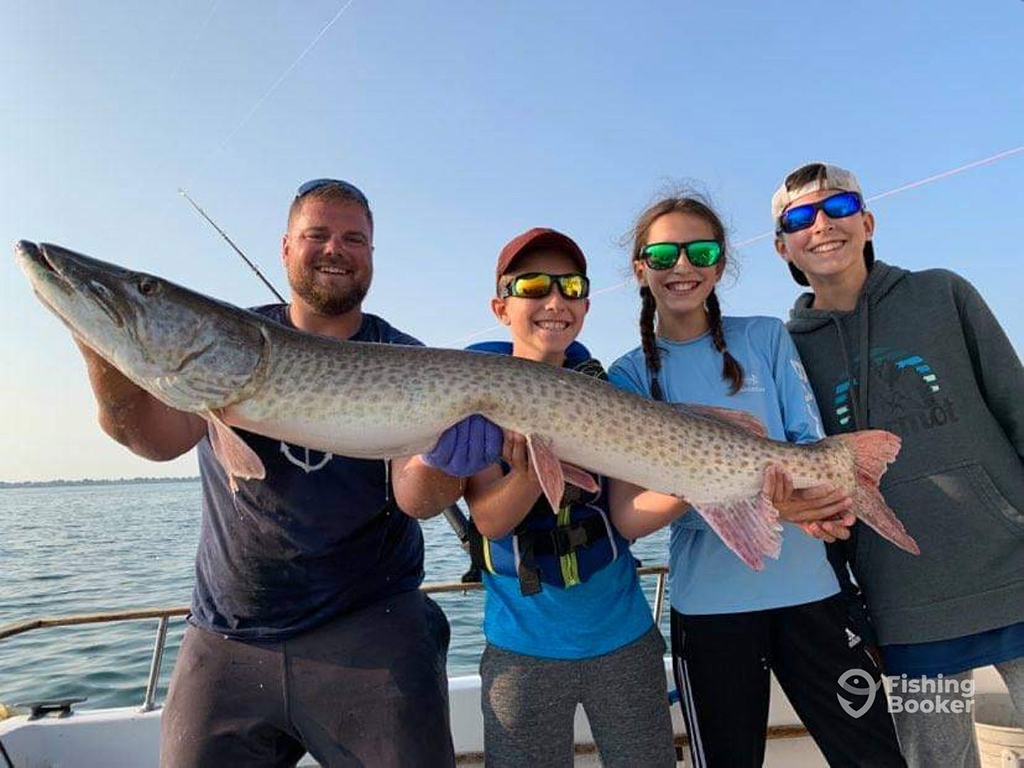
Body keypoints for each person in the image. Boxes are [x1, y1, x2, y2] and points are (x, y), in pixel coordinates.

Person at [71, 178, 501, 767]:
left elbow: (415, 497)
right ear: (285, 247)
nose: (335, 249)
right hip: (228, 633)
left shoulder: (406, 355)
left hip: (371, 628)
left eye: (354, 238)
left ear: (372, 254)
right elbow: (150, 438)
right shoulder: (224, 343)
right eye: (316, 235)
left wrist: (441, 463)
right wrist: (99, 340)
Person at [607, 193, 907, 767]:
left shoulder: (766, 336)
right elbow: (627, 517)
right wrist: (710, 472)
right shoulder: (626, 374)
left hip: (813, 595)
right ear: (641, 268)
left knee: (876, 758)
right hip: (711, 610)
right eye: (664, 254)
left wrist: (804, 501)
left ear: (721, 264)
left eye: (700, 251)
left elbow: (809, 445)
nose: (682, 267)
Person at [774, 161, 1024, 767]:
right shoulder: (787, 348)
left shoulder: (943, 291)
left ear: (867, 220)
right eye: (800, 217)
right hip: (902, 598)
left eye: (837, 207)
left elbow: (1014, 403)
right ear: (784, 246)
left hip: (1013, 569)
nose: (823, 225)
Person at [461, 228, 676, 767]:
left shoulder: (607, 391)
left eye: (571, 286)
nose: (554, 301)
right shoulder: (477, 390)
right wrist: (536, 469)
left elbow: (625, 518)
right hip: (521, 649)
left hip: (624, 636)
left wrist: (699, 489)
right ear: (501, 306)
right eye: (532, 285)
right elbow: (489, 520)